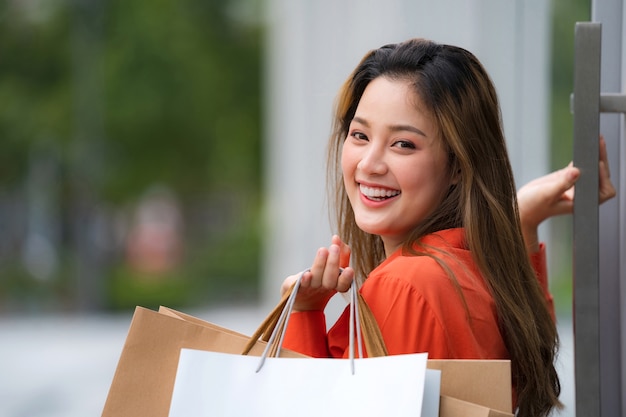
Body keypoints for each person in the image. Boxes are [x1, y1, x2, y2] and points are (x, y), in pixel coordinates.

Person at [278, 38, 616, 417]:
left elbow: (306, 407)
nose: (369, 163)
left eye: (403, 144)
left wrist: (302, 315)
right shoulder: (480, 272)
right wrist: (522, 220)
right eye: (360, 135)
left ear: (458, 165)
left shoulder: (405, 284)